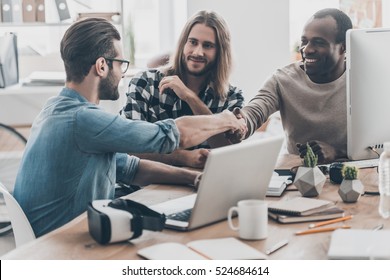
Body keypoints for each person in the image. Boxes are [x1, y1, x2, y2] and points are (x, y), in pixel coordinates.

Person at [13, 18, 246, 237]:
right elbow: (170, 135)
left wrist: (192, 179)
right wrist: (225, 120)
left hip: (51, 238)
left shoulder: (56, 108)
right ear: (102, 66)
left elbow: (130, 168)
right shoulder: (83, 120)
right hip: (61, 247)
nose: (122, 73)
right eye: (121, 64)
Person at [121, 10, 244, 168]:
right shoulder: (145, 83)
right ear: (183, 44)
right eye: (192, 42)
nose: (198, 52)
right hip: (146, 186)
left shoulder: (232, 97)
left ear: (220, 52)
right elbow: (129, 147)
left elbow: (228, 152)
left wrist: (189, 97)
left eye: (207, 45)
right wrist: (184, 157)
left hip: (202, 186)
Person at [229, 8, 353, 164]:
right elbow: (255, 110)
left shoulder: (362, 80)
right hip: (298, 176)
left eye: (319, 43)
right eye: (304, 41)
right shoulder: (283, 79)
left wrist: (337, 152)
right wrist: (241, 123)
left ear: (344, 47)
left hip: (354, 173)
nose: (307, 50)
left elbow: (379, 144)